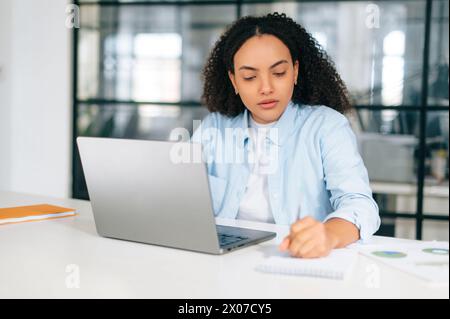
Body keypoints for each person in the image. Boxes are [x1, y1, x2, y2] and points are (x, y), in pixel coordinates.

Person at [191, 12, 380, 258]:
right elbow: (179, 195)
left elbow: (360, 204)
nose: (266, 88)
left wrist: (329, 234)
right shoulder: (213, 128)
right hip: (225, 260)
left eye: (279, 73)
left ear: (295, 71)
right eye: (249, 77)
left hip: (298, 260)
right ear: (234, 81)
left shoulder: (327, 126)